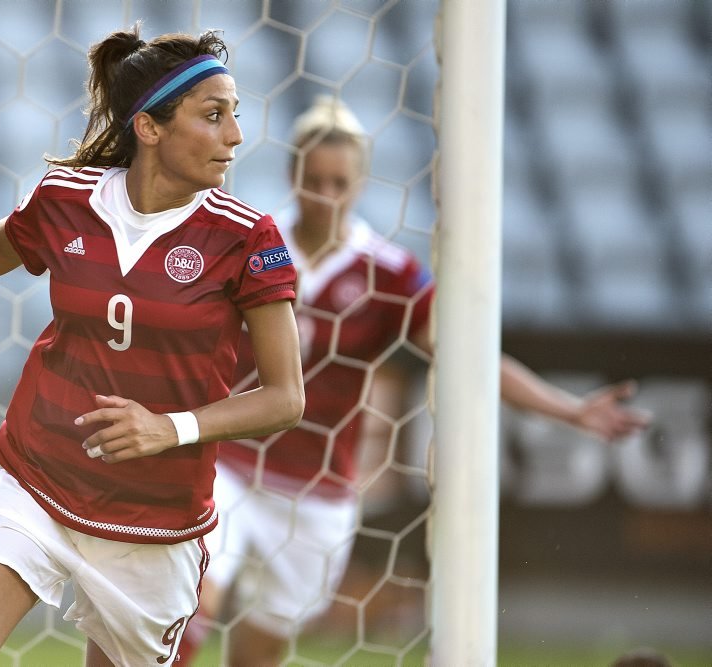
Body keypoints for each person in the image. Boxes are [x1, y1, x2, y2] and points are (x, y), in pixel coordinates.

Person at [0, 24, 305, 667]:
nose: (235, 135)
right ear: (149, 128)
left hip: (154, 521)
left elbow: (285, 398)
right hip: (35, 477)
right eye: (214, 115)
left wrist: (167, 428)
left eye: (235, 115)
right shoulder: (68, 198)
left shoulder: (247, 237)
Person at [175, 96, 652, 666]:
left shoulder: (388, 274)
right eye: (314, 179)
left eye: (339, 182)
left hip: (319, 490)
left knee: (262, 648)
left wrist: (570, 410)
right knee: (193, 598)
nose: (325, 195)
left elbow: (468, 358)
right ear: (292, 175)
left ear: (360, 183)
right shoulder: (252, 244)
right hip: (229, 464)